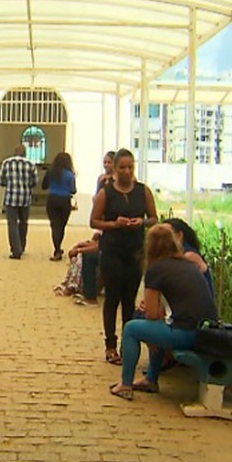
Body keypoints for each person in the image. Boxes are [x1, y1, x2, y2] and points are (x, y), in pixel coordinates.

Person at [109, 225, 219, 400]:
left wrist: (154, 330)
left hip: (187, 333)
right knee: (159, 325)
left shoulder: (156, 270)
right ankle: (150, 379)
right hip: (206, 331)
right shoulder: (186, 263)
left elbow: (151, 313)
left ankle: (125, 384)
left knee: (131, 329)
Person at [90, 148, 158, 365]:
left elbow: (154, 218)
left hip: (136, 252)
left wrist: (142, 222)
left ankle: (128, 345)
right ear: (115, 169)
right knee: (112, 298)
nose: (126, 171)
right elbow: (94, 221)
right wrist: (114, 224)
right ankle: (110, 344)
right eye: (122, 168)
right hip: (112, 251)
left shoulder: (143, 191)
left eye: (130, 167)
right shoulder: (106, 193)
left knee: (129, 300)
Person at [0, 144, 37, 259]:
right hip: (25, 198)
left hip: (11, 197)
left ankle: (16, 249)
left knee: (12, 224)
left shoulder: (6, 163)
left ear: (14, 152)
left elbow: (2, 181)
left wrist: (10, 184)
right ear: (25, 153)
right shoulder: (30, 164)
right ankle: (22, 245)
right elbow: (34, 181)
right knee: (24, 222)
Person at [42, 152, 77, 261]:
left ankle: (57, 249)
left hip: (52, 199)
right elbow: (73, 190)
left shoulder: (51, 172)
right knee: (61, 226)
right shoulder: (70, 175)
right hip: (65, 201)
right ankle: (58, 247)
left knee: (54, 225)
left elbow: (44, 186)